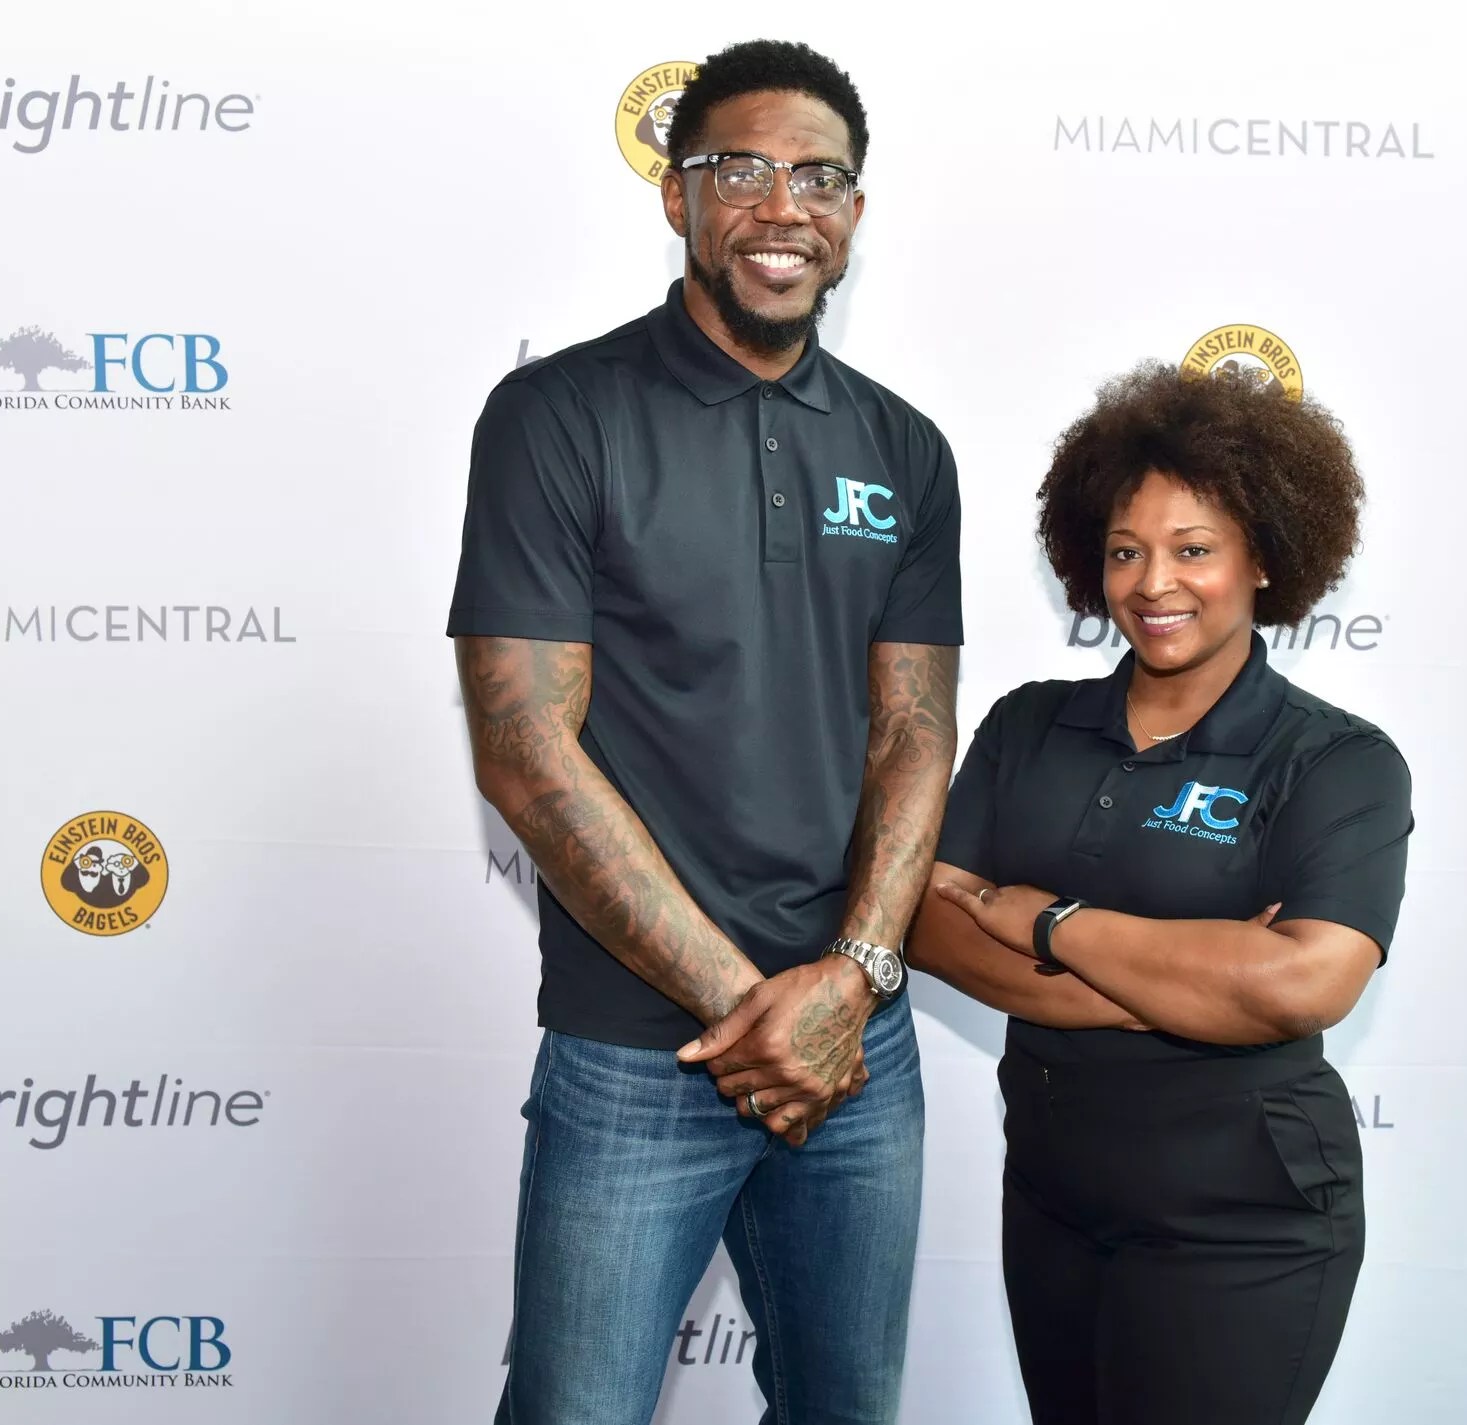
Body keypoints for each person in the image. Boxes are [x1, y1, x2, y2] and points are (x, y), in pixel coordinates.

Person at [446, 39, 961, 1425]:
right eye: (741, 171)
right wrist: (754, 1016)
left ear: (855, 212)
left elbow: (913, 731)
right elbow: (525, 752)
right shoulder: (558, 416)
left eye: (819, 178)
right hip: (640, 1049)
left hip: (858, 1046)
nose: (783, 207)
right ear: (676, 195)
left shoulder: (905, 449)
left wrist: (848, 983)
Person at [908, 363, 1411, 1425]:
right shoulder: (1029, 724)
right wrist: (1179, 983)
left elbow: (1299, 986)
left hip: (1243, 1219)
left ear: (1263, 557)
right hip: (1052, 1199)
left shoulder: (1336, 762)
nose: (1152, 583)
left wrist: (1048, 922)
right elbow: (925, 921)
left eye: (1193, 550)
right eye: (1125, 550)